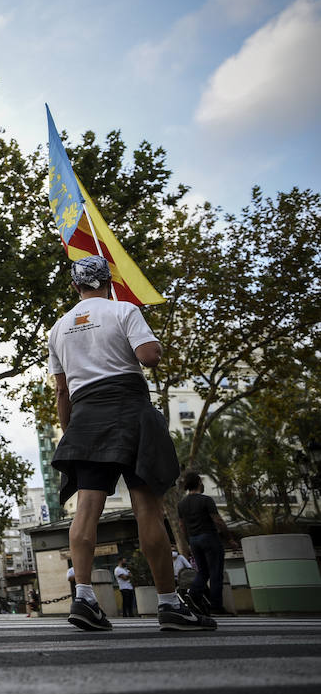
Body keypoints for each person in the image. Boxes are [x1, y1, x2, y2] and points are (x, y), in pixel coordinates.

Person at [49, 255, 214, 632]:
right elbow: (149, 356)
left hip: (85, 416)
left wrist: (72, 431)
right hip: (129, 410)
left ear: (75, 287)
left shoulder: (58, 328)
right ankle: (169, 604)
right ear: (110, 281)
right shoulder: (124, 310)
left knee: (86, 509)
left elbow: (62, 391)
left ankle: (85, 598)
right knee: (147, 509)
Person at [178, 472, 237, 616]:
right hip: (209, 537)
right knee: (216, 572)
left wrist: (188, 542)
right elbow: (217, 520)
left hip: (194, 540)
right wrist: (229, 538)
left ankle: (193, 596)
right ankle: (216, 607)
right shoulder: (206, 500)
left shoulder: (181, 504)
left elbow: (181, 526)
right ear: (199, 482)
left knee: (203, 572)